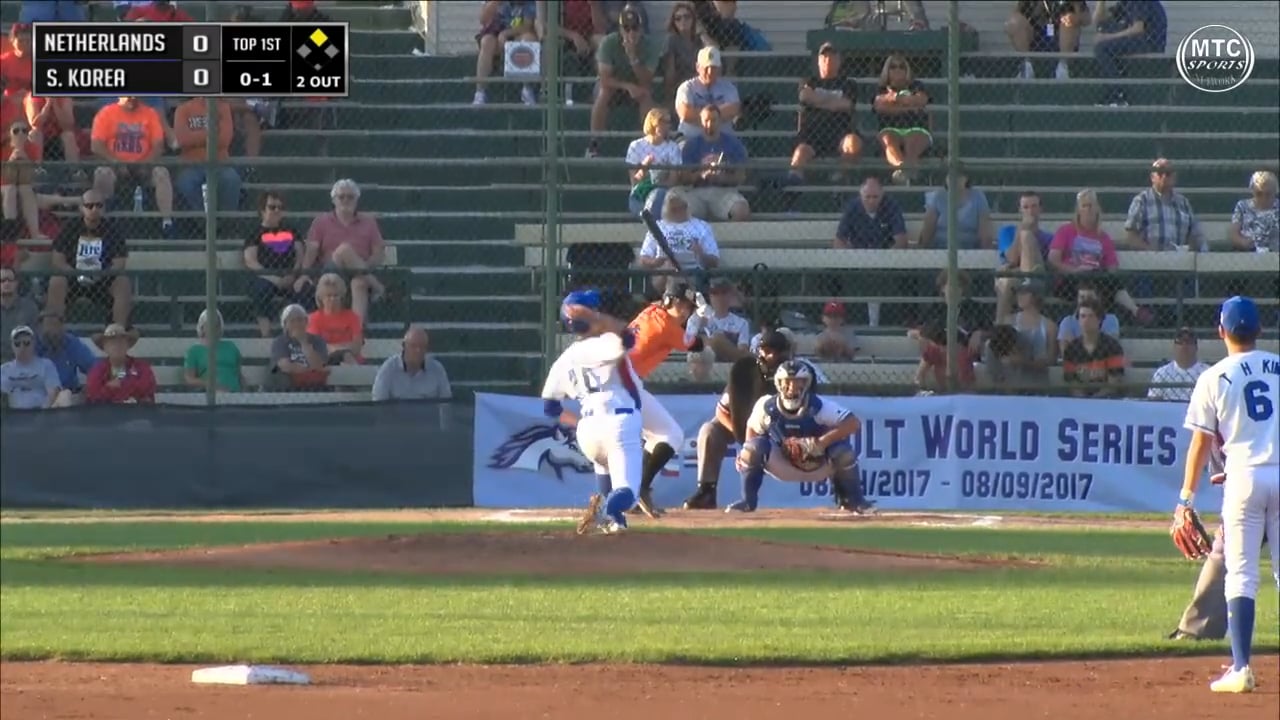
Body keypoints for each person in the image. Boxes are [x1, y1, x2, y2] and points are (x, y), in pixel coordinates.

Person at [1177, 296, 1279, 693]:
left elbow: (1201, 444)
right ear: (1260, 330)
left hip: (1244, 478)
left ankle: (1241, 668)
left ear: (1221, 331)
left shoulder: (1213, 376)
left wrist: (1185, 497)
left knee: (1242, 576)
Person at [543, 289, 643, 535]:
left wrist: (578, 423)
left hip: (587, 428)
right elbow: (628, 339)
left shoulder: (563, 359)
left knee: (605, 468)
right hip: (618, 419)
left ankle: (610, 518)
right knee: (627, 495)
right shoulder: (603, 343)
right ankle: (610, 508)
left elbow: (550, 407)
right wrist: (598, 320)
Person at [726, 360, 874, 514]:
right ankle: (747, 501)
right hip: (782, 462)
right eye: (787, 382)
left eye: (798, 382)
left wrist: (821, 443)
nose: (792, 387)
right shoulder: (766, 406)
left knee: (843, 452)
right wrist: (747, 456)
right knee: (752, 448)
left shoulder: (820, 406)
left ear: (807, 384)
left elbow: (853, 423)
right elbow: (753, 427)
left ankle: (854, 501)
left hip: (817, 463)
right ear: (778, 383)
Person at [622, 280, 707, 517]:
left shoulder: (650, 312)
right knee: (671, 435)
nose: (686, 312)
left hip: (618, 380)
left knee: (656, 437)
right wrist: (701, 316)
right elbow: (696, 344)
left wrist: (697, 315)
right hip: (624, 382)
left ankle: (632, 492)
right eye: (684, 307)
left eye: (689, 308)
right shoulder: (665, 326)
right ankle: (639, 489)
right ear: (671, 302)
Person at [685, 329, 791, 510]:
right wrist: (741, 436)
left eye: (776, 351)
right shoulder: (744, 371)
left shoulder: (792, 374)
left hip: (773, 428)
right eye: (766, 350)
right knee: (709, 431)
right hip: (741, 421)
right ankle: (707, 490)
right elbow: (722, 411)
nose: (771, 355)